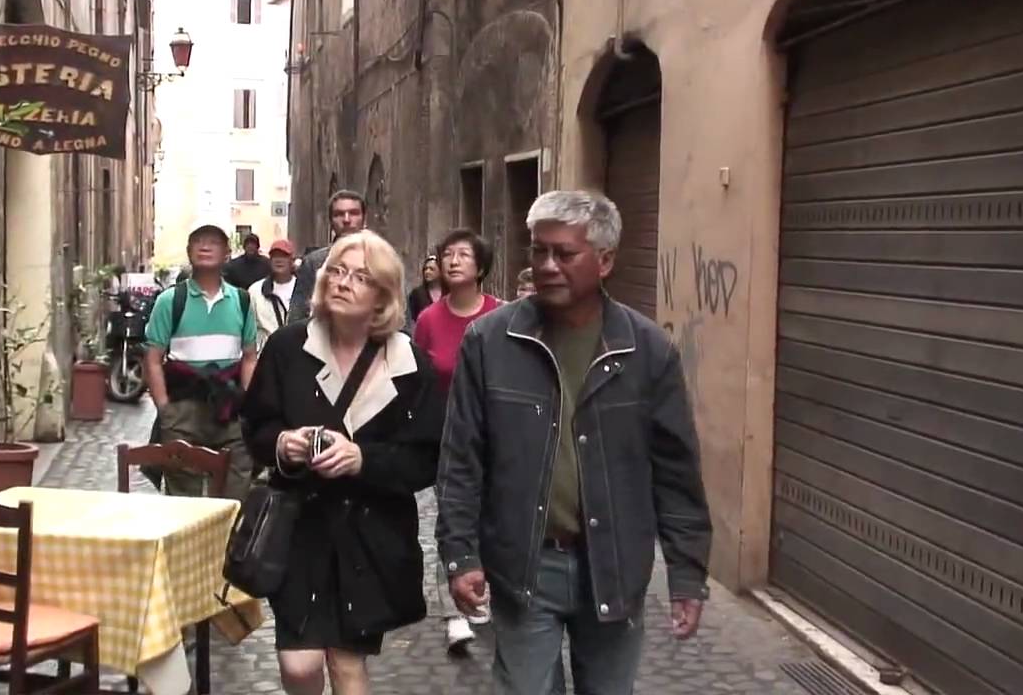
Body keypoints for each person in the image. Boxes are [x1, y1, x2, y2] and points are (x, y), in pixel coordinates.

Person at [436, 190, 712, 694]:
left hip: (614, 565)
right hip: (524, 565)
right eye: (538, 251)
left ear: (604, 260)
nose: (546, 266)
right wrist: (461, 555)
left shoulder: (647, 352)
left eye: (564, 253)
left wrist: (687, 573)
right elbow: (461, 460)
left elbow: (675, 472)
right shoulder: (490, 343)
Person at [243, 230, 445, 695]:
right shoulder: (289, 348)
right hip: (300, 529)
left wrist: (362, 459)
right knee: (299, 665)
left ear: (383, 295)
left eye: (359, 276)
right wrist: (284, 444)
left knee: (348, 666)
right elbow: (255, 427)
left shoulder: (410, 364)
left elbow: (425, 458)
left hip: (368, 537)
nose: (342, 282)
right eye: (336, 270)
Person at [410, 229, 502, 653]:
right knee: (450, 519)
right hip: (447, 440)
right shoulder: (429, 320)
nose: (453, 261)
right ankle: (455, 612)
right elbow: (418, 382)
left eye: (464, 255)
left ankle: (491, 590)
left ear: (480, 268)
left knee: (493, 519)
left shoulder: (503, 316)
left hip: (496, 438)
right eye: (447, 254)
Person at [143, 219, 259, 498]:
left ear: (227, 254)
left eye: (214, 242)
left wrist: (249, 405)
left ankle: (231, 539)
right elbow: (153, 358)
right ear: (188, 251)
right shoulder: (171, 301)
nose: (205, 247)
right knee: (184, 496)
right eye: (198, 242)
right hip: (184, 409)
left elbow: (249, 357)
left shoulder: (242, 301)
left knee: (236, 489)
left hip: (230, 409)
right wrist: (164, 408)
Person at [288, 190, 367, 323]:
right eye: (339, 214)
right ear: (331, 221)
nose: (346, 220)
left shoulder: (382, 261)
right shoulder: (314, 263)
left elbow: (399, 317)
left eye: (353, 213)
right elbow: (297, 315)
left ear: (364, 218)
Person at [250, 239, 298, 351]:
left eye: (284, 256)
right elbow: (250, 329)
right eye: (275, 256)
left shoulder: (304, 289)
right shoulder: (256, 291)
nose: (279, 260)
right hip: (267, 355)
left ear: (292, 260)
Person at [406, 255, 442, 324]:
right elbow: (411, 319)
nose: (427, 272)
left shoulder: (448, 293)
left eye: (431, 269)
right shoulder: (417, 294)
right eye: (425, 269)